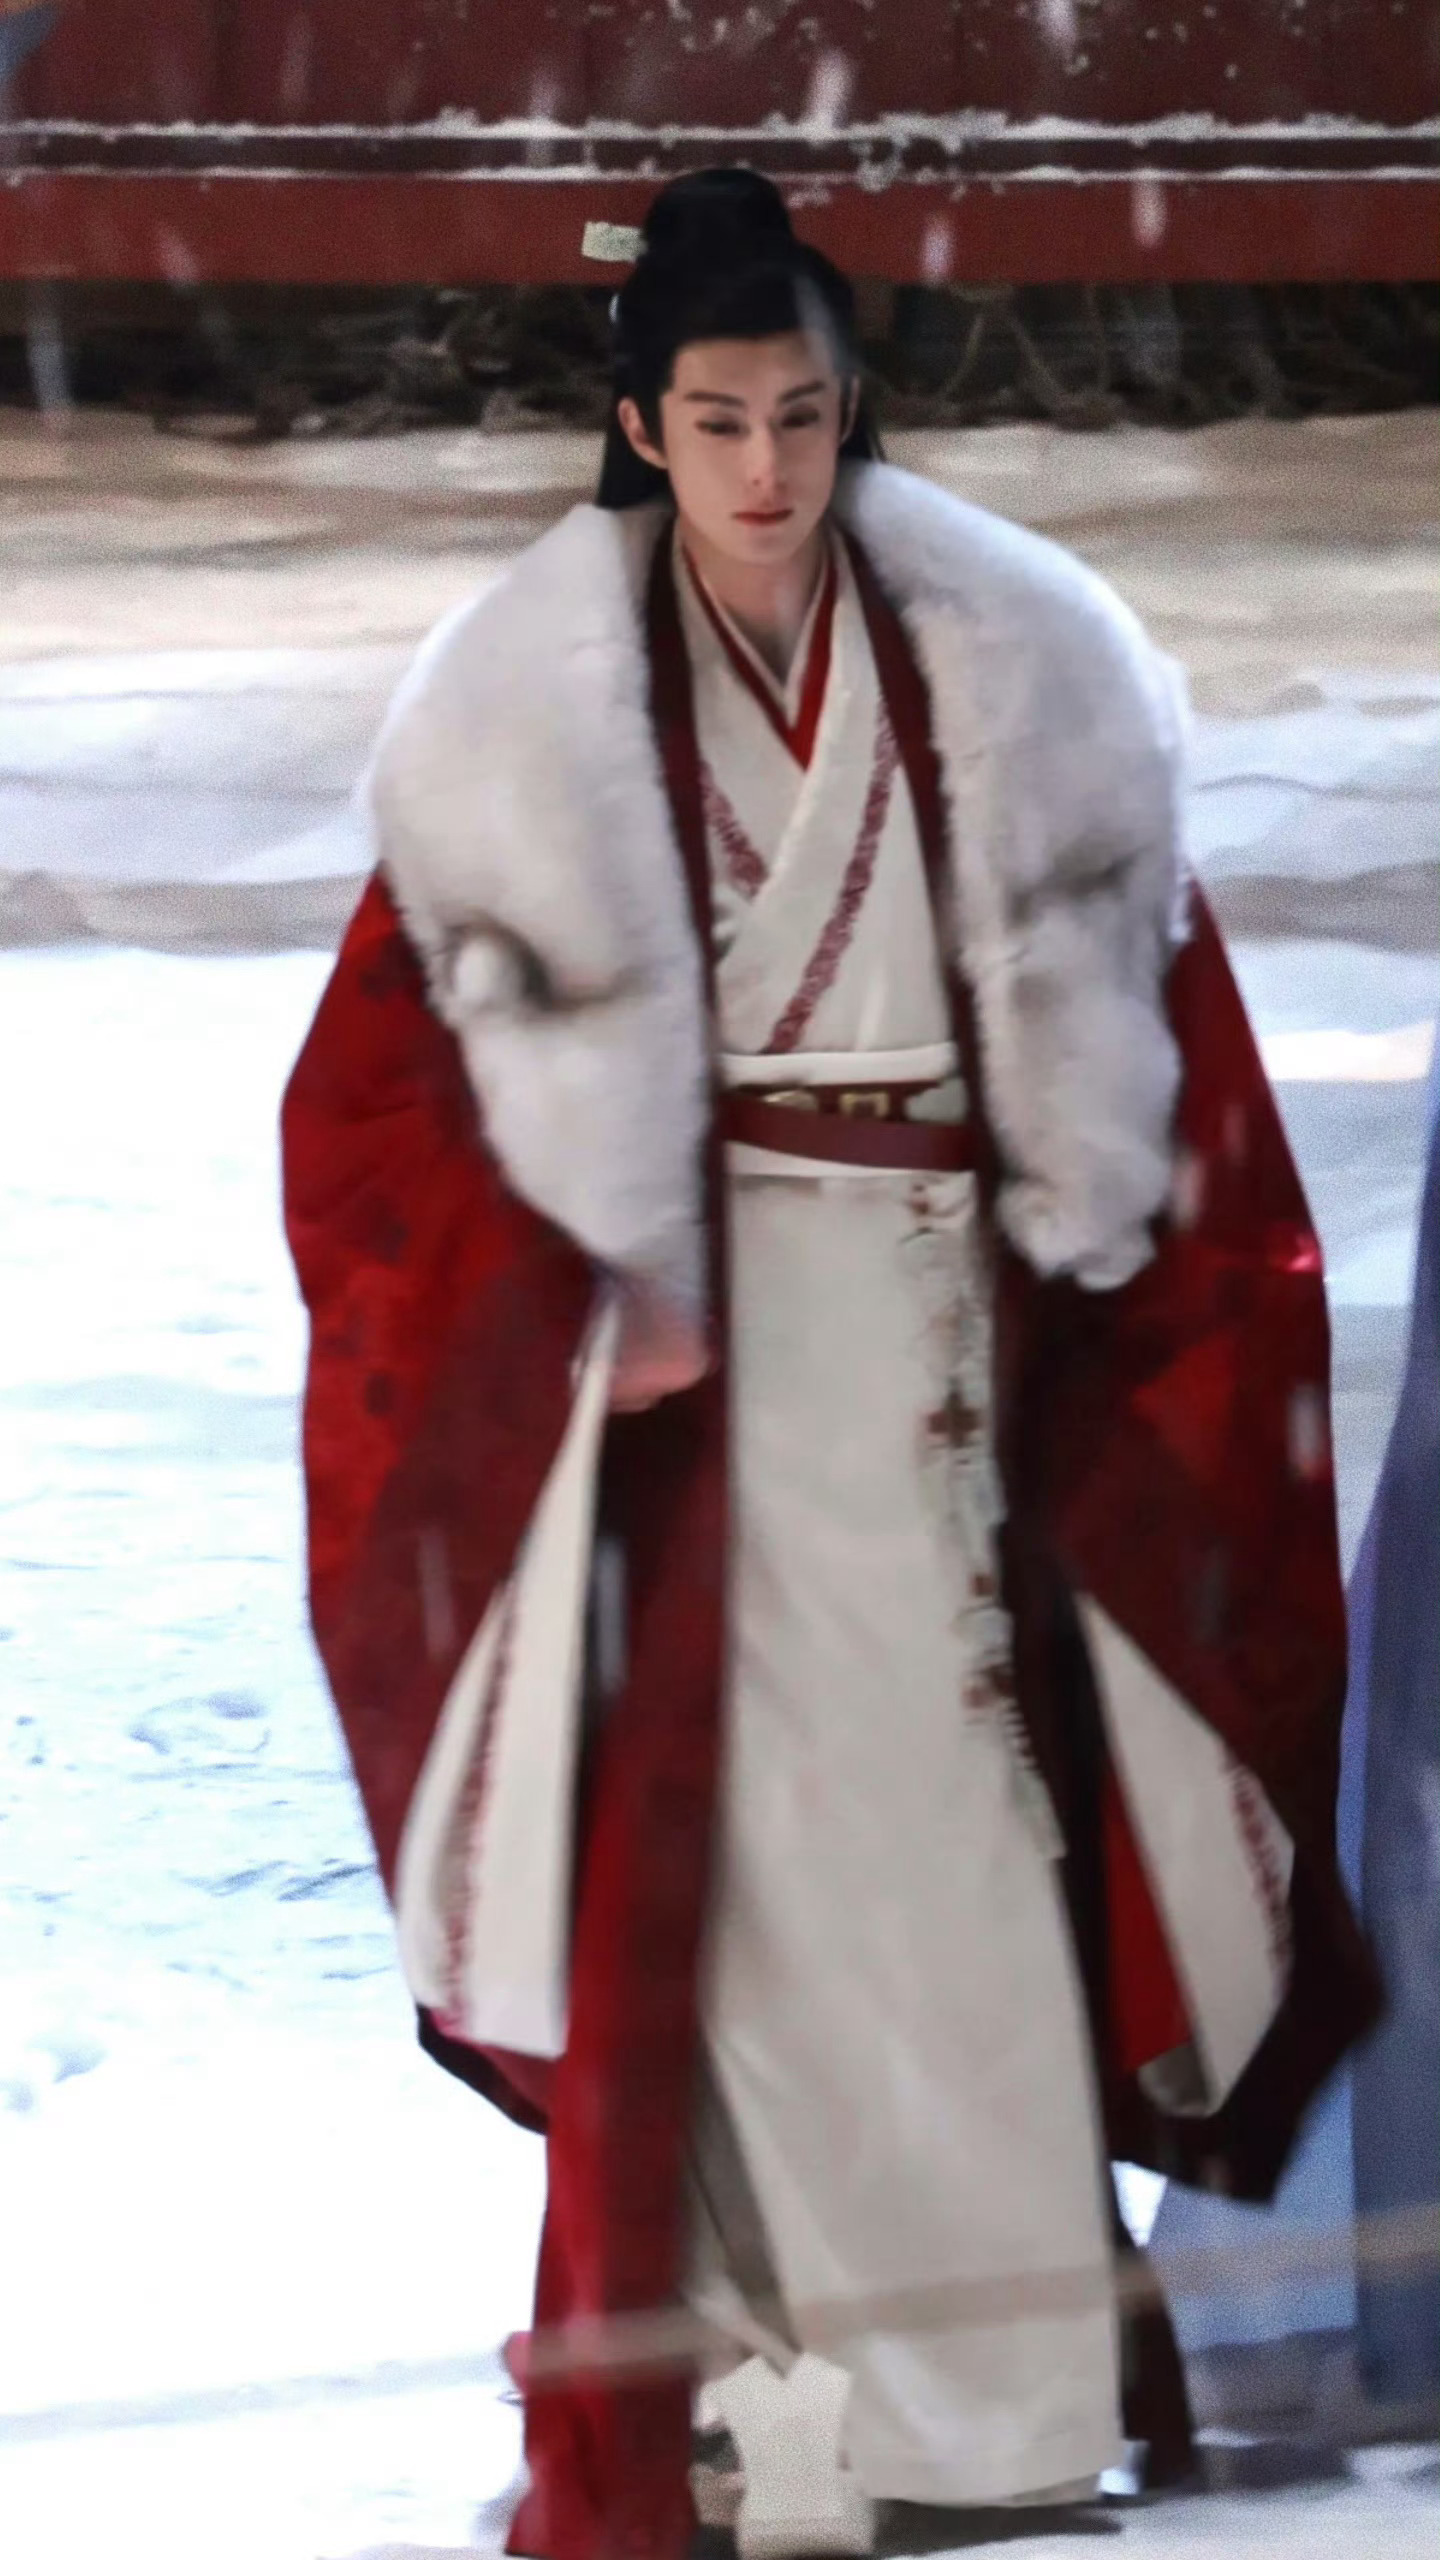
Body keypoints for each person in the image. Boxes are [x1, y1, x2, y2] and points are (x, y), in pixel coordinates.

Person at [282, 168, 1378, 2560]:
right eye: (716, 420)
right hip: (696, 1393)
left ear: (848, 404)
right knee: (731, 1895)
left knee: (963, 1861)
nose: (766, 466)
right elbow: (365, 1126)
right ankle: (749, 2409)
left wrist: (1109, 1244)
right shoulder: (528, 718)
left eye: (799, 412)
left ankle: (985, 2407)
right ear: (639, 428)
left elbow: (1163, 1035)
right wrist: (568, 1289)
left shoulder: (1011, 665)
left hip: (943, 1347)